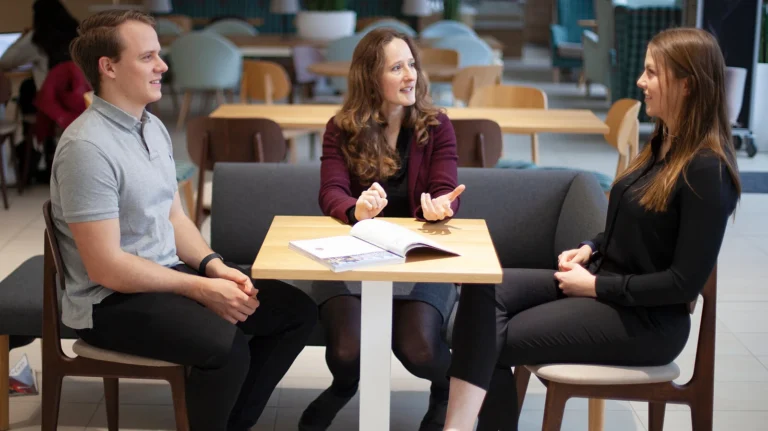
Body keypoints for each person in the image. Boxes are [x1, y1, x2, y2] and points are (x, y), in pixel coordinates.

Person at [443, 27, 742, 431]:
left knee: (489, 334)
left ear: (686, 85)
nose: (641, 82)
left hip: (648, 323)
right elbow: (638, 226)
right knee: (484, 289)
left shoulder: (707, 170)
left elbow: (683, 284)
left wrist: (595, 287)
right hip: (607, 286)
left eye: (652, 73)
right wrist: (590, 247)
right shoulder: (660, 145)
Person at [49, 10, 317, 431]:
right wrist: (201, 289)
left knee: (295, 312)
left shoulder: (152, 127)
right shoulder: (86, 148)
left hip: (164, 277)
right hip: (108, 302)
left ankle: (231, 424)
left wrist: (215, 267)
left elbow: (175, 217)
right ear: (109, 67)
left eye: (159, 54)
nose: (163, 66)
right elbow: (106, 267)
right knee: (227, 345)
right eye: (148, 57)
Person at [297, 28, 465, 431]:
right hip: (354, 255)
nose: (410, 75)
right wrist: (355, 209)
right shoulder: (341, 127)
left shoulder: (436, 125)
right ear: (370, 78)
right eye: (396, 67)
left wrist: (442, 206)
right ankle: (343, 386)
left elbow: (446, 189)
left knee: (420, 350)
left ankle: (446, 388)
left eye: (412, 64)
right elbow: (330, 191)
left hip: (417, 255)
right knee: (345, 350)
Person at [0, 0, 79, 182]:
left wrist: (23, 36)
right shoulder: (79, 34)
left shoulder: (38, 39)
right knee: (28, 86)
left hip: (49, 105)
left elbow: (6, 61)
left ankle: (38, 157)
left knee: (27, 90)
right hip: (79, 102)